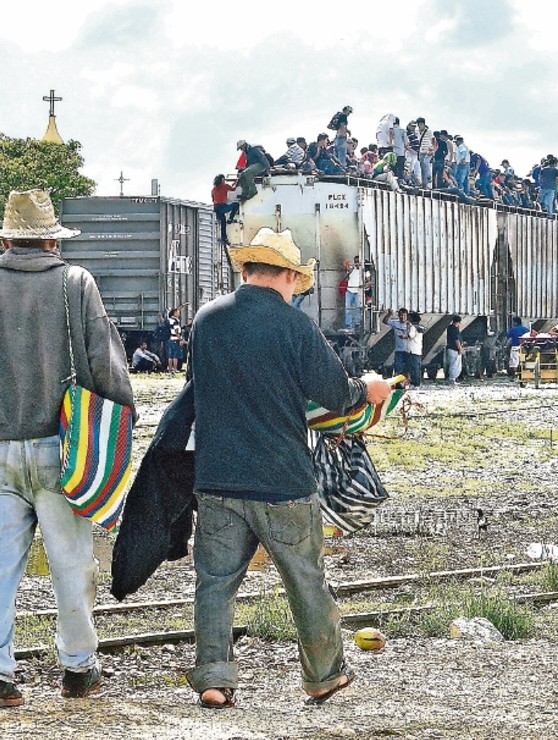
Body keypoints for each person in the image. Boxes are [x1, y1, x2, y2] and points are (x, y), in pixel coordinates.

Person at [0, 189, 136, 708]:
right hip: (61, 450)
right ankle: (79, 669)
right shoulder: (76, 283)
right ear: (50, 238)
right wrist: (109, 438)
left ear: (5, 238)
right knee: (71, 563)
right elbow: (108, 367)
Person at [185, 227, 391, 708]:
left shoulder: (207, 319)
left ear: (246, 269)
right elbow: (336, 393)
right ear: (287, 276)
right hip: (282, 481)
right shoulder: (292, 324)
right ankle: (323, 675)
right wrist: (371, 389)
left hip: (216, 476)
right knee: (306, 580)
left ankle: (214, 679)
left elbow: (197, 388)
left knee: (215, 583)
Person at [384, 307, 413, 383]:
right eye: (400, 315)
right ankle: (398, 382)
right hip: (399, 350)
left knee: (408, 368)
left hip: (408, 350)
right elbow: (385, 321)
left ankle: (408, 382)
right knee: (398, 367)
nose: (402, 317)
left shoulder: (409, 325)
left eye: (404, 316)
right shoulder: (395, 323)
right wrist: (389, 314)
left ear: (407, 316)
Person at [211, 174, 239, 246]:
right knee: (236, 205)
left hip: (216, 208)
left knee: (223, 223)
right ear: (222, 180)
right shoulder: (225, 186)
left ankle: (224, 238)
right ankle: (230, 219)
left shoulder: (213, 189)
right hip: (222, 207)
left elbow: (213, 199)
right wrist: (236, 183)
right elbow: (233, 189)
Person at [328, 105, 352, 172]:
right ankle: (342, 169)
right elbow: (343, 126)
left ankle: (337, 169)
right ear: (346, 110)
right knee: (342, 154)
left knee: (336, 154)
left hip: (337, 138)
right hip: (342, 137)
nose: (349, 114)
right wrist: (347, 132)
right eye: (349, 112)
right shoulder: (343, 116)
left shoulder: (337, 115)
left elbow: (330, 126)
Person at [405, 311, 425, 387]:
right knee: (417, 368)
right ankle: (418, 383)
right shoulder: (420, 327)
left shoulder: (412, 327)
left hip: (412, 350)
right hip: (418, 350)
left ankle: (414, 383)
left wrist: (403, 336)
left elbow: (410, 336)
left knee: (413, 368)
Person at [343, 259, 362, 331]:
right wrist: (347, 263)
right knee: (348, 309)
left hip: (358, 292)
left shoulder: (363, 271)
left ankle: (357, 324)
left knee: (358, 309)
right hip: (349, 291)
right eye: (356, 261)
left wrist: (363, 287)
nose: (357, 263)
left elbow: (368, 280)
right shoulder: (352, 269)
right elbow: (346, 266)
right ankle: (348, 325)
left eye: (358, 261)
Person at [166, 306, 187, 373]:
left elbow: (176, 309)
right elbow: (176, 331)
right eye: (178, 312)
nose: (179, 313)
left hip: (170, 339)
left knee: (170, 356)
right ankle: (175, 369)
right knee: (175, 356)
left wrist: (183, 306)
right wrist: (180, 339)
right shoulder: (176, 321)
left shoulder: (169, 319)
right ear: (174, 313)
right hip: (175, 339)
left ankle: (170, 370)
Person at [445, 314, 464, 385]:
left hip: (452, 349)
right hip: (454, 349)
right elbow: (456, 340)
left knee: (455, 364)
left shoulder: (450, 328)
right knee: (455, 365)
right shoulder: (454, 329)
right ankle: (452, 379)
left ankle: (453, 378)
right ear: (458, 322)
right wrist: (460, 348)